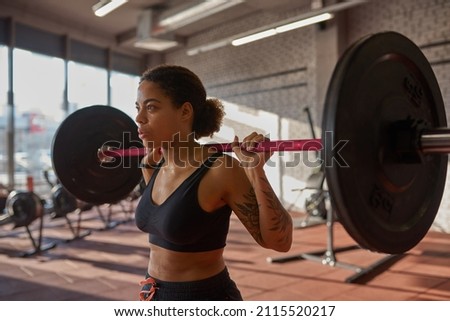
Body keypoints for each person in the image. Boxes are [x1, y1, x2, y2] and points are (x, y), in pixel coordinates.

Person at [134, 64, 293, 301]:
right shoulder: (153, 165)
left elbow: (280, 242)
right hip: (153, 295)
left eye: (152, 108)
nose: (139, 118)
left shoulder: (220, 170)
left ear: (185, 112)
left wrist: (255, 171)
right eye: (137, 108)